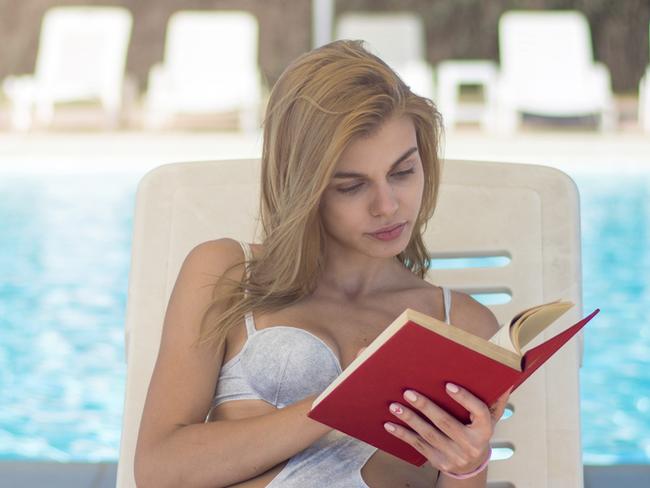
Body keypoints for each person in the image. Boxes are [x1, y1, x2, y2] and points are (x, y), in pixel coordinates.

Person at [133, 39, 510, 488]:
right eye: (351, 186)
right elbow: (158, 471)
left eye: (403, 172)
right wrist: (340, 402)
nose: (387, 205)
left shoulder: (461, 326)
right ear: (304, 188)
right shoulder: (226, 275)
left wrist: (467, 465)